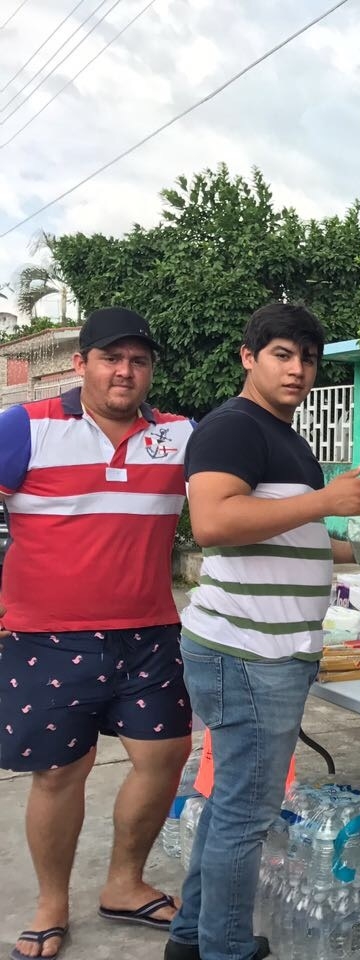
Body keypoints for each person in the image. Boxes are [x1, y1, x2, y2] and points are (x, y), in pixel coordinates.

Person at [165, 304, 360, 960]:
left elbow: (287, 532)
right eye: (282, 355)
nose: (298, 370)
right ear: (249, 357)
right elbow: (213, 522)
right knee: (245, 814)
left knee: (228, 803)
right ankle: (227, 949)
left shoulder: (284, 438)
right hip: (246, 649)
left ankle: (191, 939)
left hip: (262, 649)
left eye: (308, 359)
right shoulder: (232, 428)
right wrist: (327, 502)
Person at [0, 308, 194, 960]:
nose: (125, 370)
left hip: (148, 634)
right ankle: (52, 902)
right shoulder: (26, 428)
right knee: (60, 772)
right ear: (79, 363)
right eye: (111, 357)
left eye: (138, 360)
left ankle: (124, 883)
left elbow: (232, 499)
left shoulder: (177, 436)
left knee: (164, 758)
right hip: (47, 637)